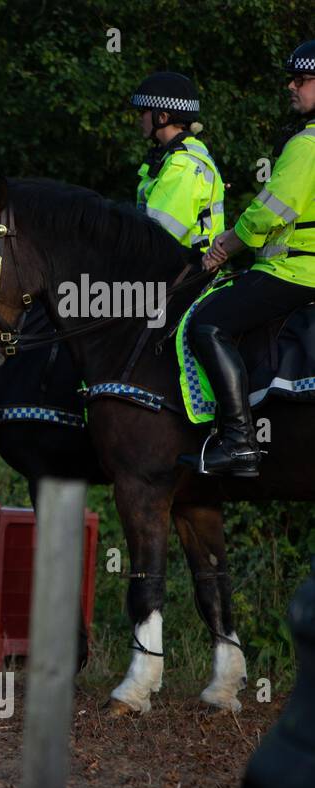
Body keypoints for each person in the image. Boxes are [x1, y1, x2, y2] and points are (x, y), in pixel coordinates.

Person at [191, 41, 315, 477]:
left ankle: (239, 442)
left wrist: (225, 246)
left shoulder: (307, 144)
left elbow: (269, 211)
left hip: (295, 270)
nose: (291, 85)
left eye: (301, 79)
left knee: (207, 323)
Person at [130, 71, 225, 250]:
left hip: (188, 271)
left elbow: (157, 238)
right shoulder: (172, 155)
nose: (139, 118)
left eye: (143, 112)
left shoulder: (183, 164)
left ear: (162, 117)